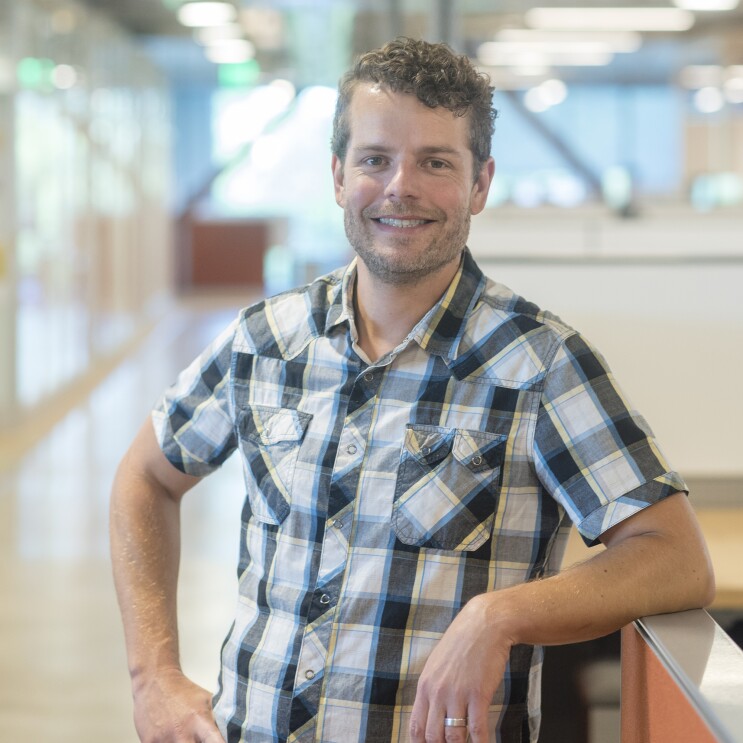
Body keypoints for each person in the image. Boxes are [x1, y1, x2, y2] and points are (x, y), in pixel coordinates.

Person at [110, 37, 714, 743]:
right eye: (374, 159)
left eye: (435, 162)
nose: (400, 186)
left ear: (479, 184)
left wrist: (501, 613)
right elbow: (145, 477)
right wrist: (153, 675)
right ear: (338, 175)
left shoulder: (537, 364)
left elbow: (673, 557)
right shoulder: (264, 339)